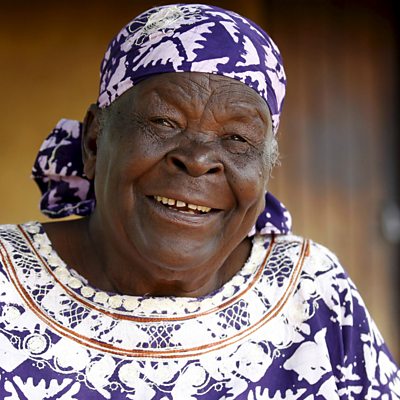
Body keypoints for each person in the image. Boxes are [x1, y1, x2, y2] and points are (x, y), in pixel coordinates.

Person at [0, 3, 398, 399]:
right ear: (93, 141)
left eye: (238, 138)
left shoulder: (312, 291)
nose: (198, 160)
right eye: (163, 122)